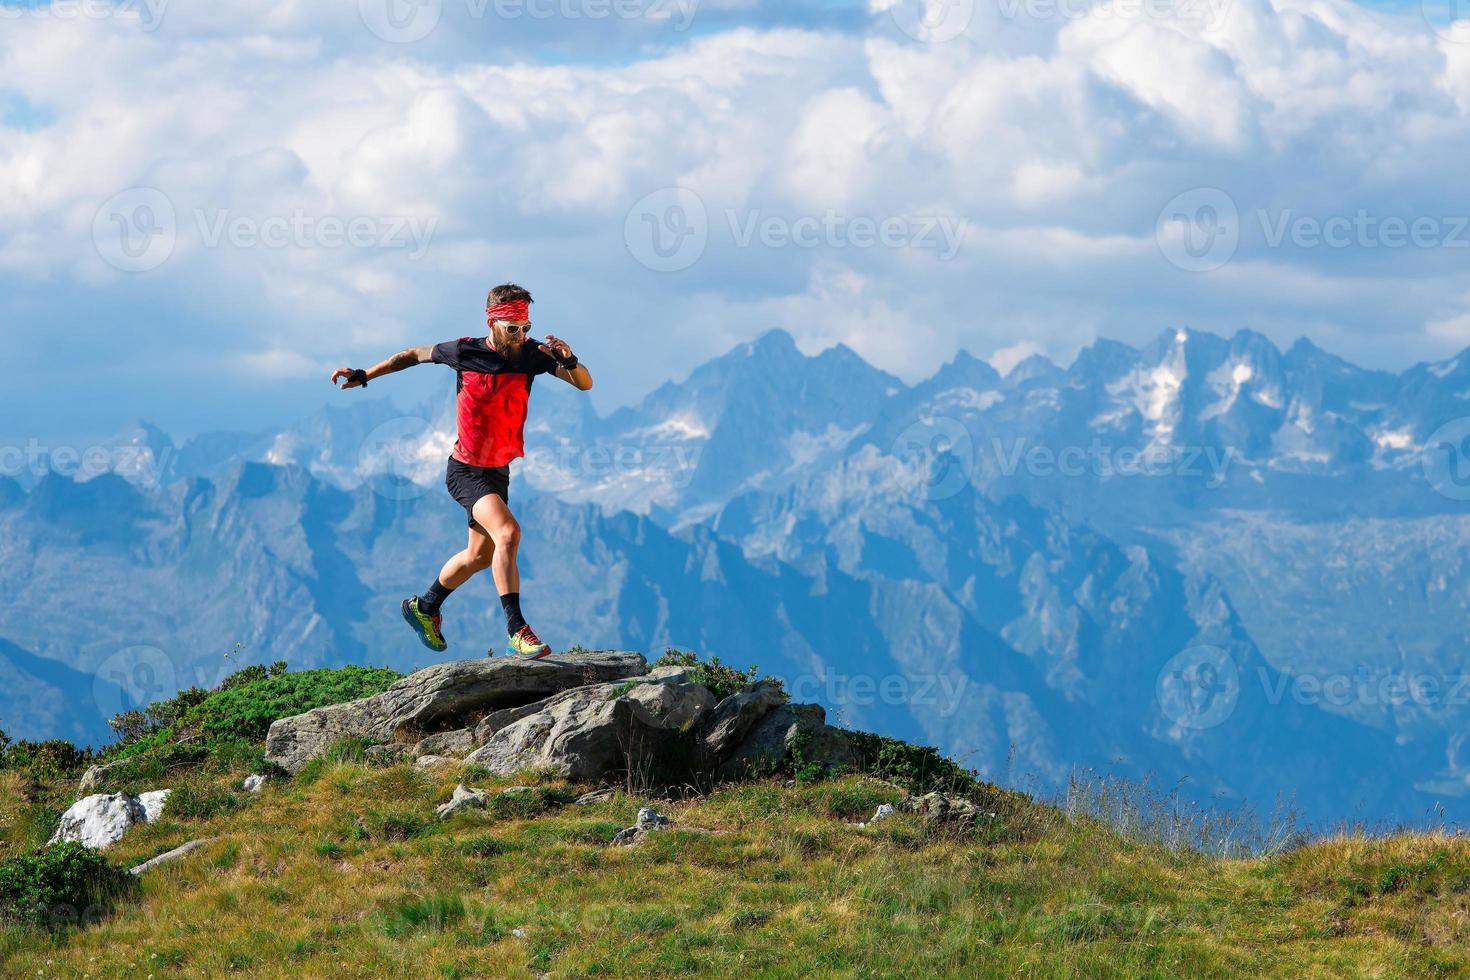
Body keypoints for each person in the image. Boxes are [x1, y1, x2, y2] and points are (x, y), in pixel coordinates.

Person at [331, 283, 592, 659]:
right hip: (465, 471)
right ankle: (517, 629)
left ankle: (424, 607)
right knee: (508, 532)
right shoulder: (463, 350)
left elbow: (585, 383)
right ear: (492, 322)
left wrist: (568, 359)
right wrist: (365, 374)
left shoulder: (533, 355)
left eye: (526, 327)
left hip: (498, 472)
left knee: (479, 556)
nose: (521, 336)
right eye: (512, 328)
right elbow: (410, 356)